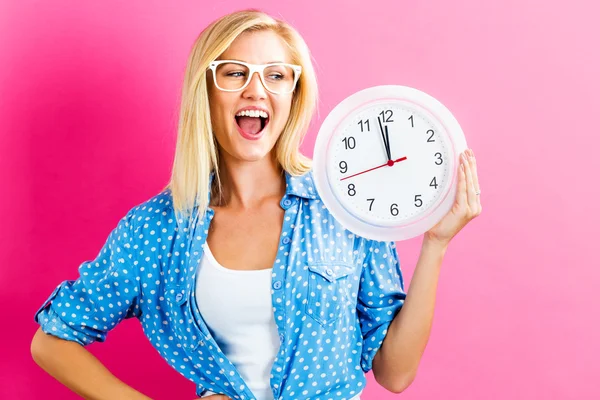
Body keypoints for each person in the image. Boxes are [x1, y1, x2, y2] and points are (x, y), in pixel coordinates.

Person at [30, 9, 482, 400]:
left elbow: (395, 372)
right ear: (205, 90)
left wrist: (435, 245)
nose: (255, 90)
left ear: (292, 94)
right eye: (233, 72)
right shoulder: (156, 228)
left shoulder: (341, 208)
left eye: (276, 75)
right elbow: (51, 341)